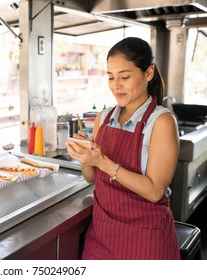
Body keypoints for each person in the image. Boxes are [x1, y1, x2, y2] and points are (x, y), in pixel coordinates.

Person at [66, 37, 180, 260]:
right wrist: (85, 156)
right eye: (110, 77)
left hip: (145, 240)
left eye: (125, 77)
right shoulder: (104, 117)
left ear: (148, 73)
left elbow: (155, 191)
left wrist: (102, 162)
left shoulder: (161, 122)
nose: (115, 85)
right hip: (101, 236)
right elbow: (92, 178)